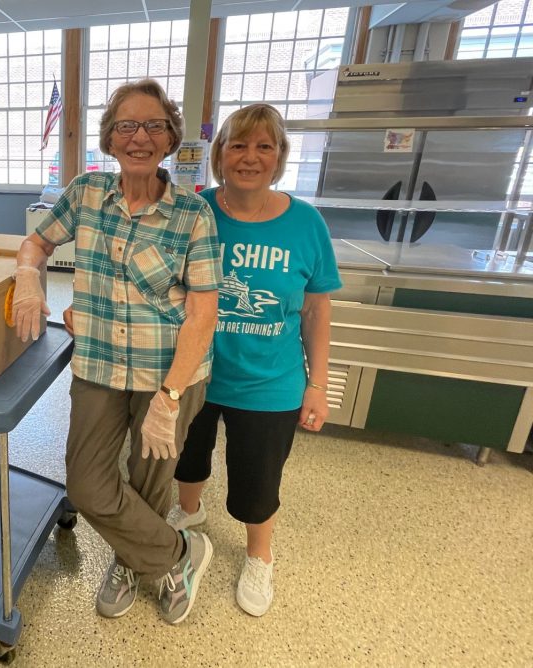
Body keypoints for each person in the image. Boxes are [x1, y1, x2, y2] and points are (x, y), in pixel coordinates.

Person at [12, 79, 221, 625]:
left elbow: (203, 312)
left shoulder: (193, 214)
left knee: (151, 480)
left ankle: (132, 563)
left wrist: (171, 396)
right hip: (100, 366)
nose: (139, 136)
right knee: (86, 484)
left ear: (171, 136)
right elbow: (36, 241)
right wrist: (29, 277)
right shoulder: (85, 193)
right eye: (126, 125)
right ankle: (179, 554)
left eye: (154, 125)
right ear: (109, 137)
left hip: (168, 372)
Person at [171, 103, 342, 618]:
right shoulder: (196, 210)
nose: (250, 157)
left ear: (279, 157)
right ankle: (189, 512)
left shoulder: (305, 223)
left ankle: (259, 555)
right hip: (196, 371)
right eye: (238, 145)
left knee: (258, 477)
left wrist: (317, 384)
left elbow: (315, 308)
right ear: (219, 154)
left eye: (264, 146)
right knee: (187, 454)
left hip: (272, 381)